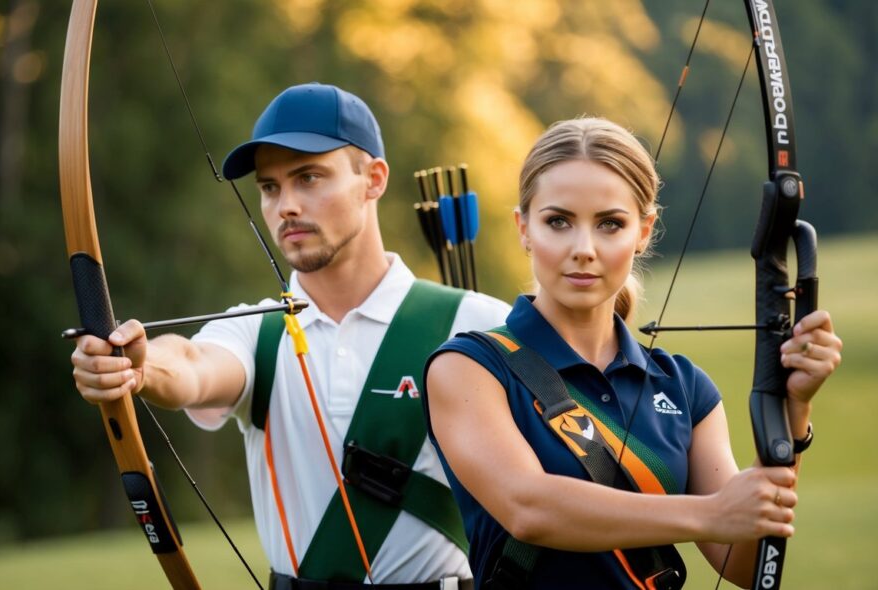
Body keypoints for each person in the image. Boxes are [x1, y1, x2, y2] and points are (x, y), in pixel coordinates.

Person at [70, 82, 510, 588]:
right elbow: (190, 363)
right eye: (270, 187)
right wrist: (138, 366)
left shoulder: (473, 321)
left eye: (309, 178)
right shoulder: (255, 332)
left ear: (373, 178)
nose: (286, 206)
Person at [422, 118, 842, 589]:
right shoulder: (468, 367)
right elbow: (529, 508)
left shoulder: (684, 386)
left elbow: (744, 565)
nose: (583, 249)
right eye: (558, 221)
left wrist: (792, 411)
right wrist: (709, 512)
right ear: (523, 228)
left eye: (610, 224)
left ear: (643, 232)